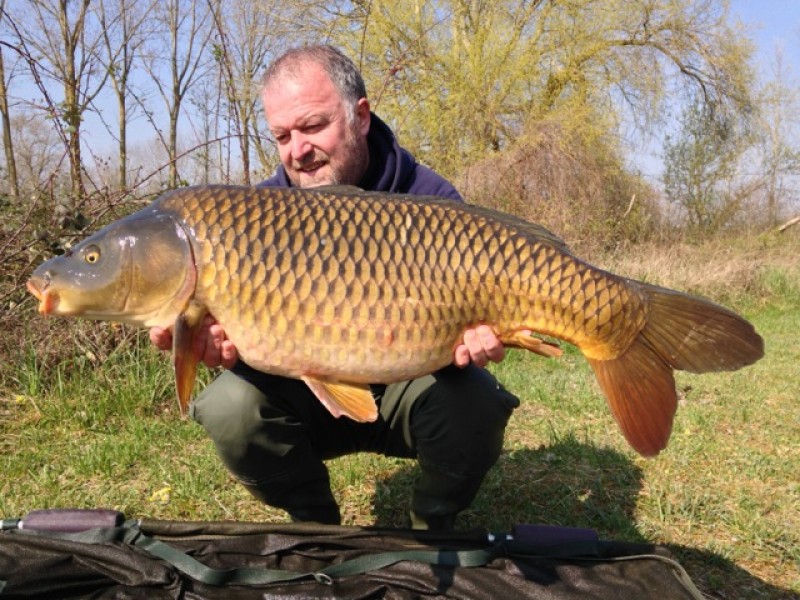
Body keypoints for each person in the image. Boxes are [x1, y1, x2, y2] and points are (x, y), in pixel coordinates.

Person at [150, 44, 520, 531]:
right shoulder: (255, 217)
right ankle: (316, 528)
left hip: (407, 385)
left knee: (478, 404)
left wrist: (483, 337)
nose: (297, 150)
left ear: (360, 116)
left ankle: (431, 524)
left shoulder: (431, 200)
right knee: (228, 407)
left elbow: (485, 319)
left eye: (312, 126)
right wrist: (218, 346)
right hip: (303, 393)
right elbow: (233, 338)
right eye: (282, 135)